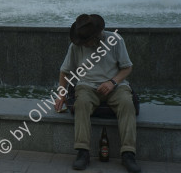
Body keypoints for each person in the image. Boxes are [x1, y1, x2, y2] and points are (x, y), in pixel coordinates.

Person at [55, 14, 141, 173]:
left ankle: (128, 153)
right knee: (81, 104)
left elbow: (127, 67)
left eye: (87, 41)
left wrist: (112, 82)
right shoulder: (76, 45)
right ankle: (83, 152)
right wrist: (61, 95)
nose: (85, 44)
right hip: (87, 86)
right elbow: (64, 72)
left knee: (127, 104)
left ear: (97, 35)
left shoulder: (115, 40)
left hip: (116, 85)